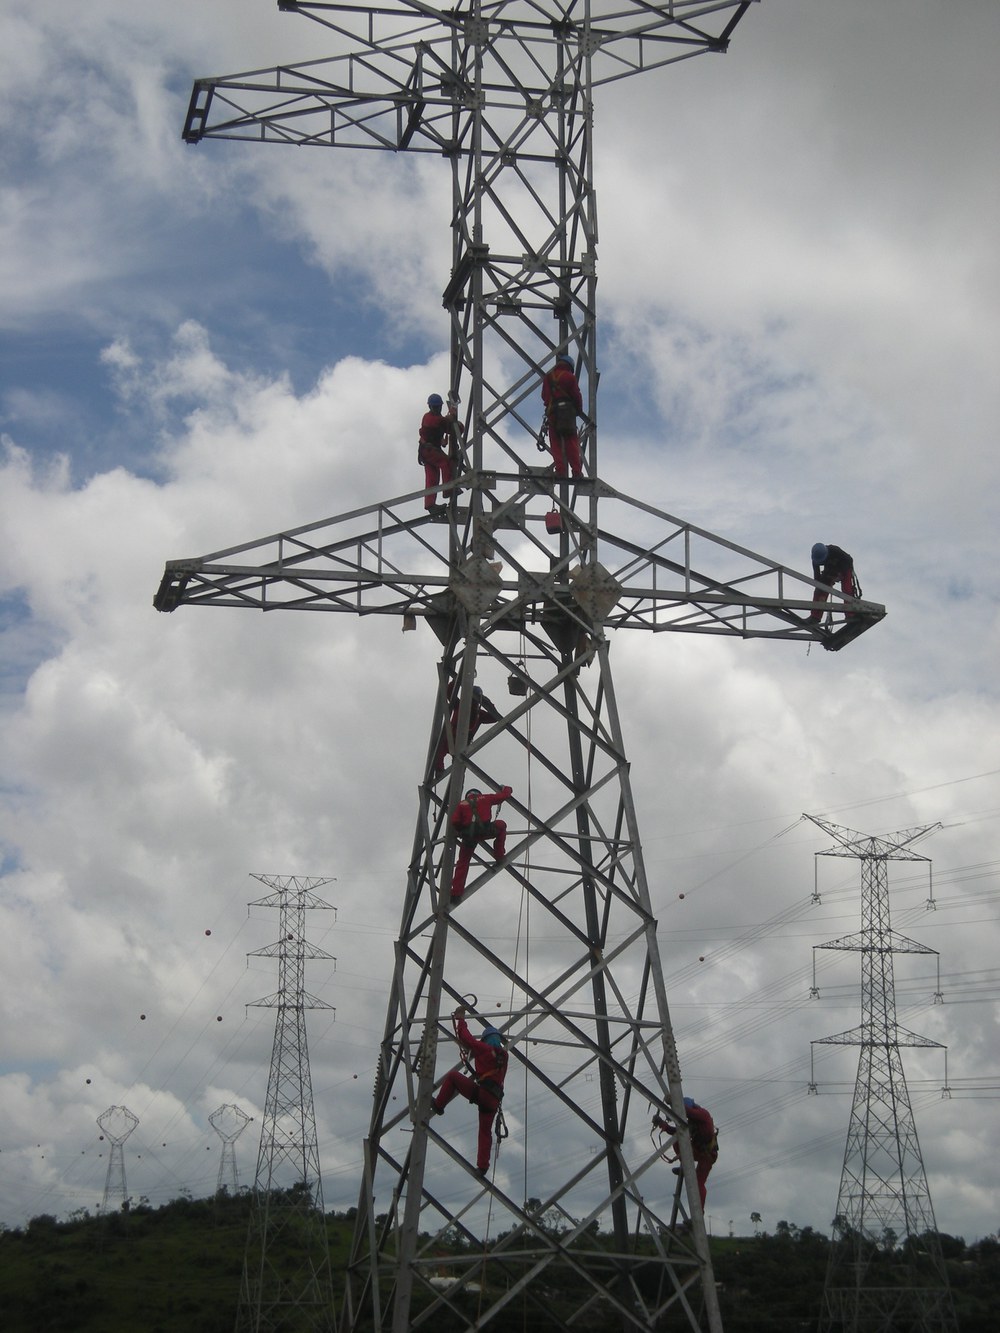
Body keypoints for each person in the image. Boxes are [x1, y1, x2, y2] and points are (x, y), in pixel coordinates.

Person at [431, 1009, 508, 1177]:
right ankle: (482, 1167)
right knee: (485, 1132)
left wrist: (461, 1019)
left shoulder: (484, 1049)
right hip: (494, 1101)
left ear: (486, 1039)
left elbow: (466, 1039)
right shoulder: (504, 1056)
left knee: (452, 1077)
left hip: (483, 1095)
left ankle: (438, 1105)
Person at [653, 1096, 718, 1208]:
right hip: (698, 1151)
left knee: (698, 1184)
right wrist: (662, 1124)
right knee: (678, 1138)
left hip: (707, 1156)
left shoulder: (702, 1115)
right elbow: (677, 1131)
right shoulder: (693, 1120)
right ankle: (686, 1164)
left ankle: (699, 1214)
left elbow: (686, 1111)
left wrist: (673, 1103)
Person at [450, 785, 512, 900]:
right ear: (478, 793)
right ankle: (499, 855)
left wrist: (460, 831)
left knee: (463, 862)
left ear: (467, 796)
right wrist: (507, 788)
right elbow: (504, 796)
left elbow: (455, 821)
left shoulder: (462, 804)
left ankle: (456, 893)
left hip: (469, 837)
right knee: (501, 825)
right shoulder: (485, 798)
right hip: (486, 831)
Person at [434, 683, 503, 776]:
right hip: (452, 738)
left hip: (462, 743)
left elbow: (495, 717)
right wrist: (457, 680)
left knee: (459, 767)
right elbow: (449, 692)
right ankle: (439, 770)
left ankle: (443, 774)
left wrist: (489, 704)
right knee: (441, 751)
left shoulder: (478, 714)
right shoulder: (459, 705)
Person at [541, 354, 584, 479]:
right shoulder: (570, 377)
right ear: (570, 366)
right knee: (571, 442)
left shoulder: (548, 377)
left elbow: (544, 396)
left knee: (555, 443)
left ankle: (560, 471)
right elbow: (576, 395)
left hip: (553, 413)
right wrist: (579, 410)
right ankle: (576, 472)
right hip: (567, 414)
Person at [418, 393, 456, 513]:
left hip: (428, 451)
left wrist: (442, 440)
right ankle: (448, 490)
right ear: (430, 407)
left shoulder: (437, 419)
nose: (437, 409)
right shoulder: (428, 418)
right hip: (429, 450)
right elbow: (439, 424)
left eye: (438, 407)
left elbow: (437, 430)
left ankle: (430, 505)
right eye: (435, 407)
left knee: (432, 478)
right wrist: (450, 418)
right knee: (445, 463)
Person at [808, 542, 858, 622]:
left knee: (847, 590)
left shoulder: (835, 551)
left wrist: (840, 574)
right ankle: (815, 616)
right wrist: (821, 586)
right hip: (830, 568)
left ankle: (850, 614)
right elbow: (817, 579)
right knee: (820, 590)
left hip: (844, 566)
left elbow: (849, 560)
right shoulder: (815, 559)